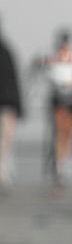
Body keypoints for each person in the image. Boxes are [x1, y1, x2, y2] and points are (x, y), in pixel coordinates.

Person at [35, 29, 72, 187]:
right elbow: (39, 70)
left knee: (68, 133)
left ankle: (64, 166)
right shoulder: (50, 56)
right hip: (57, 101)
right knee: (58, 133)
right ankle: (57, 167)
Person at [0, 17, 23, 191]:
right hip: (8, 104)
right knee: (5, 140)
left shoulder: (6, 51)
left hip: (6, 104)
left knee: (5, 140)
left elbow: (12, 82)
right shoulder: (7, 50)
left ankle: (3, 173)